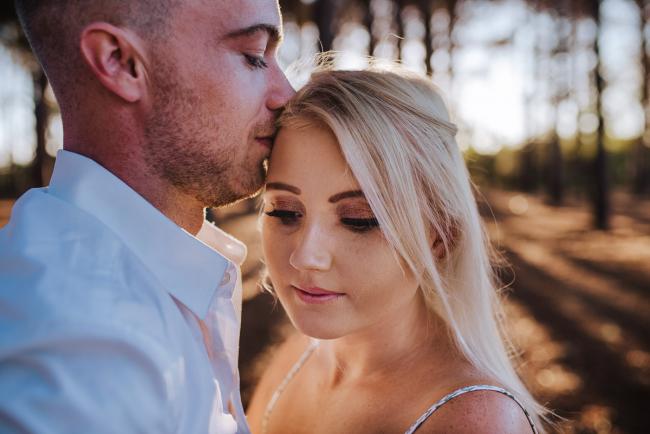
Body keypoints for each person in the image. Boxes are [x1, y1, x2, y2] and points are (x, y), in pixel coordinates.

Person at [0, 0, 293, 432]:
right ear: (120, 62)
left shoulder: (144, 275)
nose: (287, 93)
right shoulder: (88, 358)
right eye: (253, 56)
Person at [247, 65, 549, 433]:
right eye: (285, 211)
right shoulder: (296, 356)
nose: (306, 255)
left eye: (359, 219)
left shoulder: (473, 421)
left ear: (439, 236)